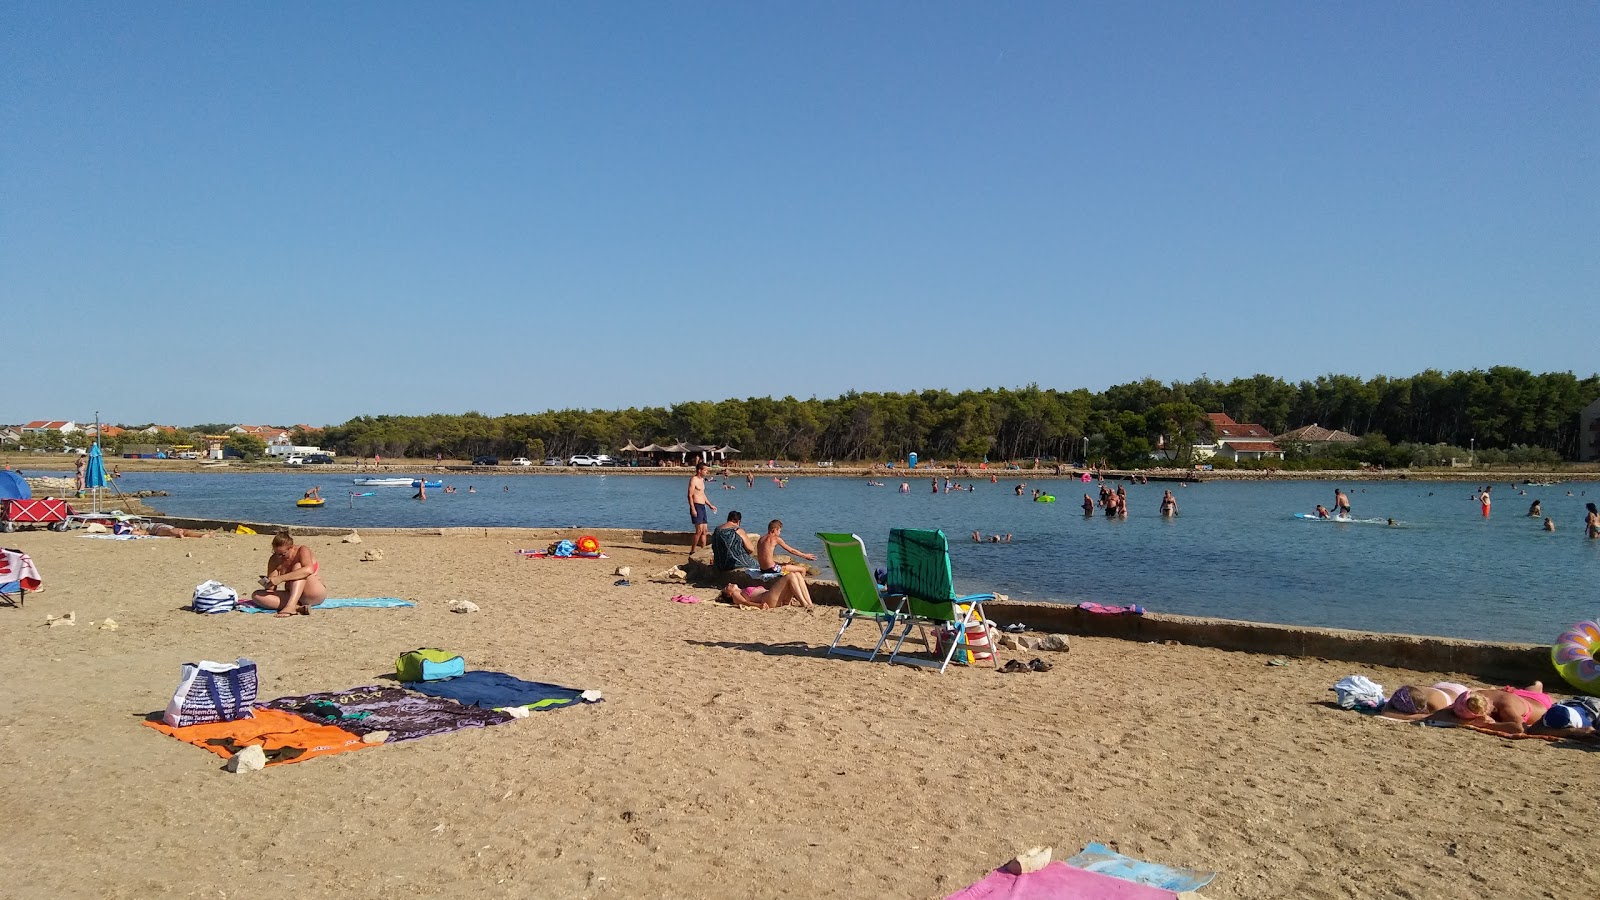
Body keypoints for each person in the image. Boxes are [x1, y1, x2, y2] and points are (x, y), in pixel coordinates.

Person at [250, 530, 327, 617]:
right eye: (276, 553)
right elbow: (272, 588)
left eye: (283, 554)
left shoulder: (302, 550)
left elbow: (308, 570)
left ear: (291, 548)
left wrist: (280, 578)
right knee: (257, 596)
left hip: (313, 593)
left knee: (298, 566)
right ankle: (298, 607)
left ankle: (290, 606)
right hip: (292, 594)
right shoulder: (274, 559)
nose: (279, 557)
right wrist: (269, 582)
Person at [1439, 682, 1553, 734]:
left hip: (1539, 702)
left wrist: (1488, 725)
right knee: (1529, 689)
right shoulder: (1474, 695)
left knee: (1536, 687)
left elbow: (1520, 728)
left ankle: (1538, 684)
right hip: (1514, 695)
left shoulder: (1506, 708)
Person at [720, 572, 814, 609]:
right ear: (729, 594)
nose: (728, 584)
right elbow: (745, 603)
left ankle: (809, 603)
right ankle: (804, 603)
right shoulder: (736, 594)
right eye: (726, 587)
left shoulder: (741, 590)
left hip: (773, 597)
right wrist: (759, 605)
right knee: (790, 576)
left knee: (797, 574)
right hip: (769, 599)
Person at [1381, 682, 1470, 721]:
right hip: (1440, 687)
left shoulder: (1436, 708)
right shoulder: (1410, 693)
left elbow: (1385, 713)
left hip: (1458, 692)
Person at [687, 463, 716, 559]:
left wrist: (710, 505)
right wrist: (692, 508)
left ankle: (703, 550)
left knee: (705, 530)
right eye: (705, 470)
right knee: (698, 530)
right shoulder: (693, 480)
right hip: (696, 506)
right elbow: (690, 495)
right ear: (699, 470)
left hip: (702, 506)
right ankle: (692, 550)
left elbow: (702, 494)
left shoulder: (702, 480)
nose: (707, 472)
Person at [133, 522, 211, 538]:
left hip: (166, 526)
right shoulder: (143, 529)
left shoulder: (142, 524)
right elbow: (135, 533)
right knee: (169, 532)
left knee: (185, 531)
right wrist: (136, 530)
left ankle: (201, 535)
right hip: (157, 530)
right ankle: (179, 535)